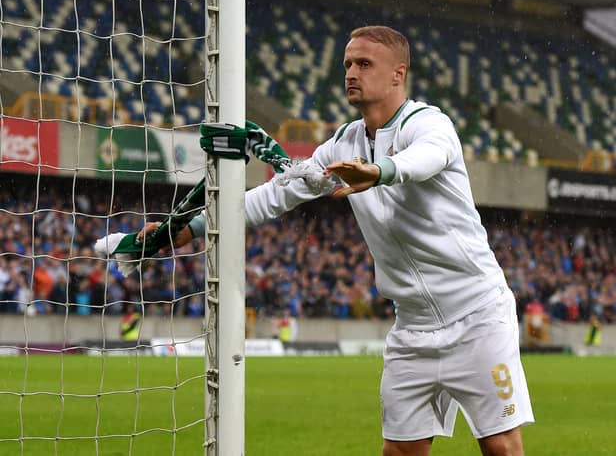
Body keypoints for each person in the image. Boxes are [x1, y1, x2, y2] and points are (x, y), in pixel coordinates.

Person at [145, 25, 534, 455]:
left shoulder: (428, 123)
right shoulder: (345, 142)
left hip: (476, 315)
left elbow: (429, 158)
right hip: (412, 327)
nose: (351, 72)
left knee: (501, 447)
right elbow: (278, 193)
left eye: (364, 64)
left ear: (397, 74)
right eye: (347, 64)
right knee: (400, 452)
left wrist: (381, 171)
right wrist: (190, 228)